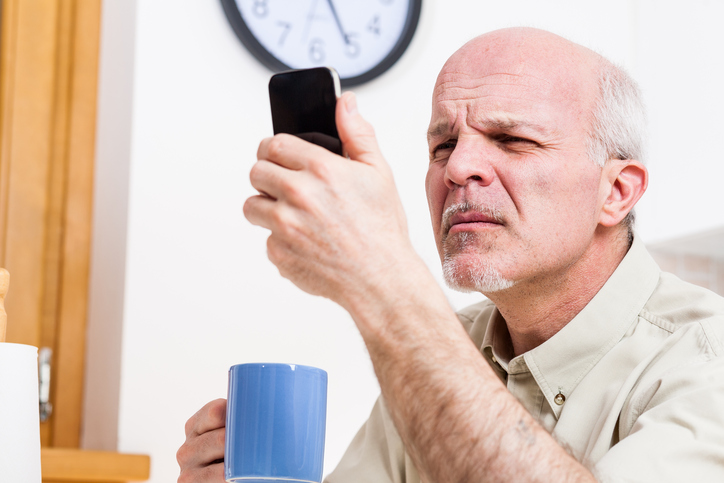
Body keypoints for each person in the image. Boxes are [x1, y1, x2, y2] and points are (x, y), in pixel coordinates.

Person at [177, 27, 724, 482]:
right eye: (443, 145)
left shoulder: (706, 364)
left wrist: (384, 280)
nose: (458, 168)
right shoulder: (448, 348)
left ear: (617, 192)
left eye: (512, 139)